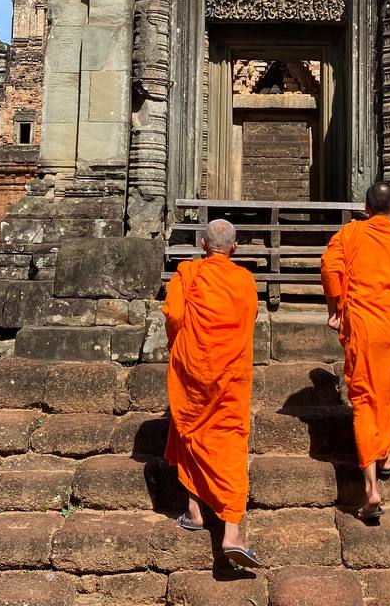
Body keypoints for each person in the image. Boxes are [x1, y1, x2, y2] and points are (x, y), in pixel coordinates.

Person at [321, 181, 390, 522]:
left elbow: (329, 267)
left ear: (366, 209)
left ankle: (371, 488)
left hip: (364, 326)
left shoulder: (350, 234)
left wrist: (334, 308)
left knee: (365, 400)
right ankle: (387, 456)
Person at [163, 217, 262, 568]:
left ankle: (195, 511)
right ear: (234, 248)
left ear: (203, 246)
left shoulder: (187, 275)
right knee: (229, 439)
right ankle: (232, 530)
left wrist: (183, 346)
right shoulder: (245, 280)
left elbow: (174, 315)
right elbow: (247, 319)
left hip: (193, 366)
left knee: (189, 428)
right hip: (230, 373)